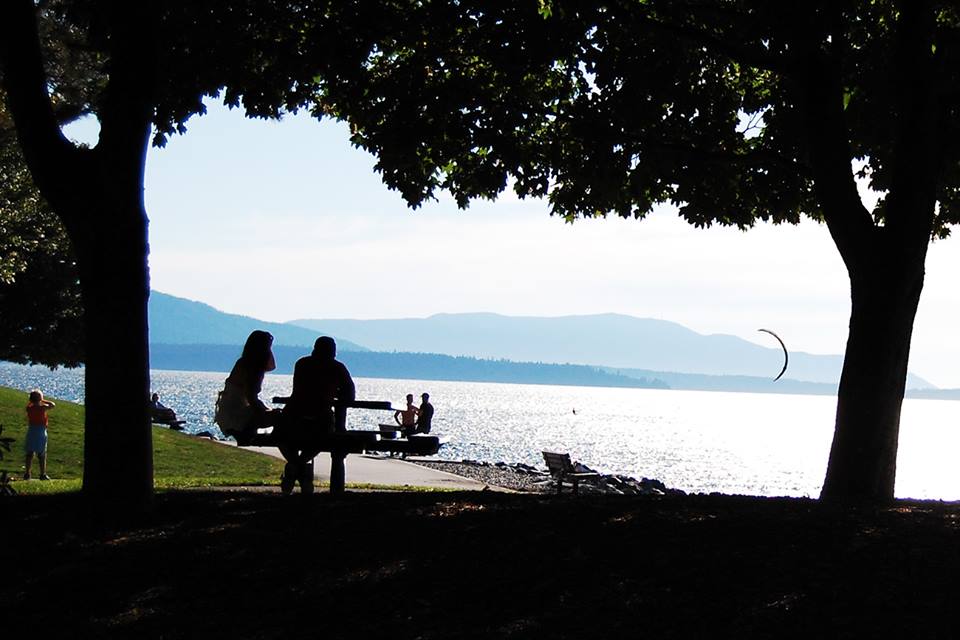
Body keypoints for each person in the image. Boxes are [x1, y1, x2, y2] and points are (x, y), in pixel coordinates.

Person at [282, 336, 356, 494]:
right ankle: (300, 465)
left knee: (281, 436)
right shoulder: (337, 368)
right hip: (320, 419)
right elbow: (350, 394)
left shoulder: (302, 364)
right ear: (333, 351)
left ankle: (294, 466)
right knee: (324, 439)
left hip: (293, 416)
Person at [215, 330, 280, 444]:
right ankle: (271, 441)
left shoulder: (243, 362)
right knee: (280, 417)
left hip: (228, 411)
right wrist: (267, 411)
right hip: (237, 413)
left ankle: (255, 438)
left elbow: (271, 366)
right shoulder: (252, 368)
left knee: (276, 415)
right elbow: (251, 397)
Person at [24, 389, 55, 480]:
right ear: (40, 398)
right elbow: (52, 404)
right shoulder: (42, 407)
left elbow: (29, 405)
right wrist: (43, 400)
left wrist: (34, 401)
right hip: (41, 432)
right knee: (41, 454)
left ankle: (27, 474)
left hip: (31, 431)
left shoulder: (29, 408)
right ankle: (42, 474)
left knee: (29, 453)